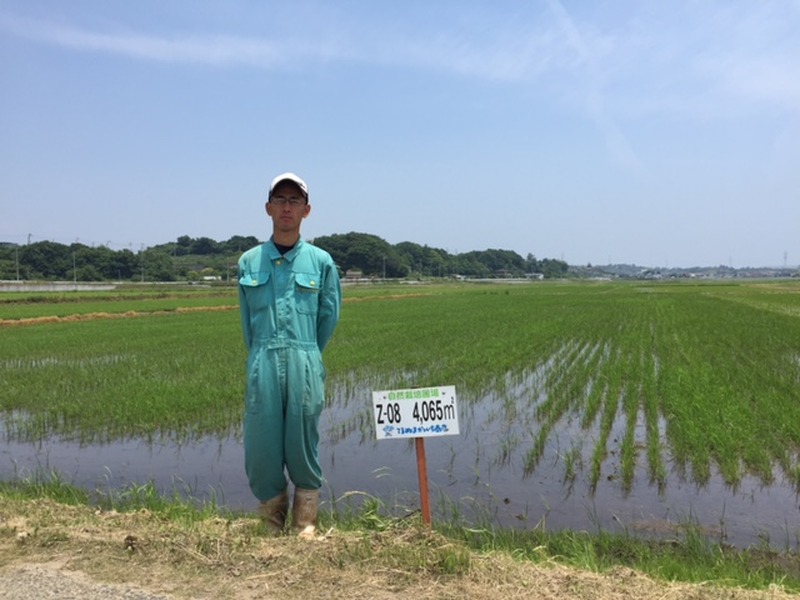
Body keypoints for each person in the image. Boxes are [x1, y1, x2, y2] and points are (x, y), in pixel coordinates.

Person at [237, 172, 341, 538]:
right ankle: (270, 519)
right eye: (280, 200)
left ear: (306, 210)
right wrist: (263, 356)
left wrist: (307, 354)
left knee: (302, 443)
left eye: (294, 201)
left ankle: (305, 523)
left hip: (305, 359)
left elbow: (328, 317)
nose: (286, 207)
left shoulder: (322, 262)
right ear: (268, 208)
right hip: (262, 360)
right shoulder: (249, 262)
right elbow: (247, 322)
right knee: (261, 447)